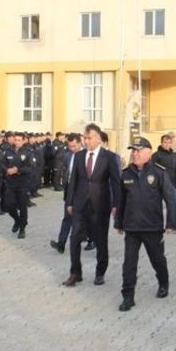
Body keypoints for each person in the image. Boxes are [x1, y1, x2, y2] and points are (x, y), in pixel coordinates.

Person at [114, 137, 176, 311]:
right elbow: (121, 201)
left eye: (137, 151)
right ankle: (128, 296)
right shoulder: (126, 173)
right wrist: (118, 222)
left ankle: (163, 283)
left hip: (152, 227)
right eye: (132, 151)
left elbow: (171, 199)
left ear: (148, 153)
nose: (134, 154)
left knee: (157, 260)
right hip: (132, 227)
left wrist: (171, 223)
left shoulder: (158, 172)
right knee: (129, 263)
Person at [62, 123, 120, 286]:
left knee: (100, 241)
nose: (86, 141)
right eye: (84, 138)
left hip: (100, 206)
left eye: (88, 138)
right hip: (80, 205)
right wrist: (69, 202)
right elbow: (73, 181)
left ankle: (100, 272)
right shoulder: (79, 156)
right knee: (74, 239)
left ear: (98, 138)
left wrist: (116, 204)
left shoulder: (109, 157)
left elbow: (116, 183)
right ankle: (75, 272)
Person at [50, 133, 82, 254]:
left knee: (82, 219)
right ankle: (61, 243)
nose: (72, 148)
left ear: (80, 143)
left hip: (82, 192)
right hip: (70, 190)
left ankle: (90, 239)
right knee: (67, 217)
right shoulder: (68, 156)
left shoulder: (86, 156)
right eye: (70, 146)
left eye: (74, 146)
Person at [2, 132, 34, 239]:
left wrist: (17, 170)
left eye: (19, 140)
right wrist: (6, 170)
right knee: (9, 205)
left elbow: (31, 168)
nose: (16, 142)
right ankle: (17, 220)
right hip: (11, 183)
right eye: (15, 140)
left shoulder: (28, 152)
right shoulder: (7, 151)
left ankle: (22, 228)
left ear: (24, 140)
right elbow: (1, 164)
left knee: (23, 207)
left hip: (23, 183)